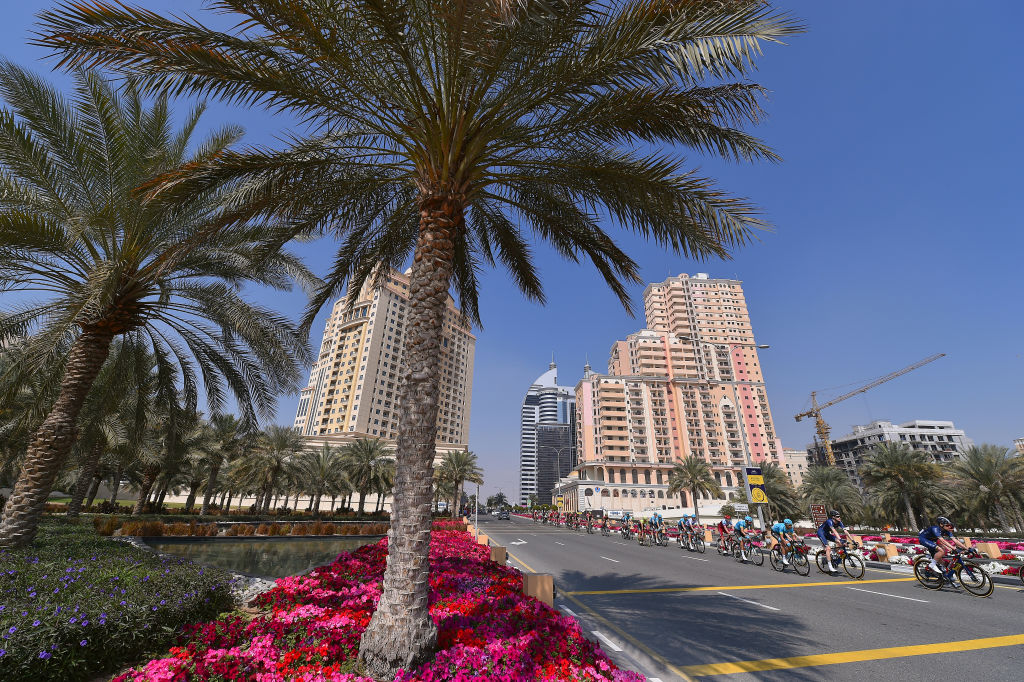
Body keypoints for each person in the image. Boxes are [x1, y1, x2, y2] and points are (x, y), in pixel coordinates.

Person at [817, 510, 856, 574]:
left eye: (839, 516)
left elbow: (846, 532)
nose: (839, 518)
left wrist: (852, 540)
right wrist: (840, 539)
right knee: (828, 548)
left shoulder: (839, 522)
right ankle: (830, 566)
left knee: (841, 544)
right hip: (821, 533)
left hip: (827, 534)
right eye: (837, 516)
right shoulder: (829, 521)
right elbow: (834, 531)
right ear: (833, 517)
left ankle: (835, 558)